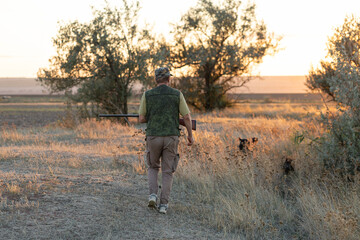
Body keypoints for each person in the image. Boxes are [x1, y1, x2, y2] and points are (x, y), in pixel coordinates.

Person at [138, 67, 194, 214]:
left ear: (156, 79)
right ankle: (163, 205)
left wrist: (154, 116)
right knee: (168, 171)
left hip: (153, 137)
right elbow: (187, 117)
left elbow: (142, 118)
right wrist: (190, 135)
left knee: (153, 167)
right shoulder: (177, 94)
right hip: (171, 137)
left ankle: (152, 196)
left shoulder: (147, 95)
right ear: (169, 79)